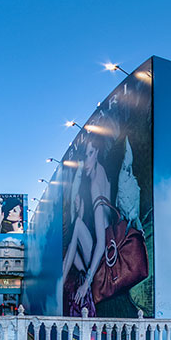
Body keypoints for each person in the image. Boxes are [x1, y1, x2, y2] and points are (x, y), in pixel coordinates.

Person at [62, 130, 113, 317]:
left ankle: (62, 280)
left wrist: (86, 284)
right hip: (101, 248)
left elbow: (100, 242)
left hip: (106, 253)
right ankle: (72, 274)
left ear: (97, 153)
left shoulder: (94, 185)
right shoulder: (98, 173)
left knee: (75, 227)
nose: (86, 163)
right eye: (84, 156)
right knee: (74, 234)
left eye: (90, 154)